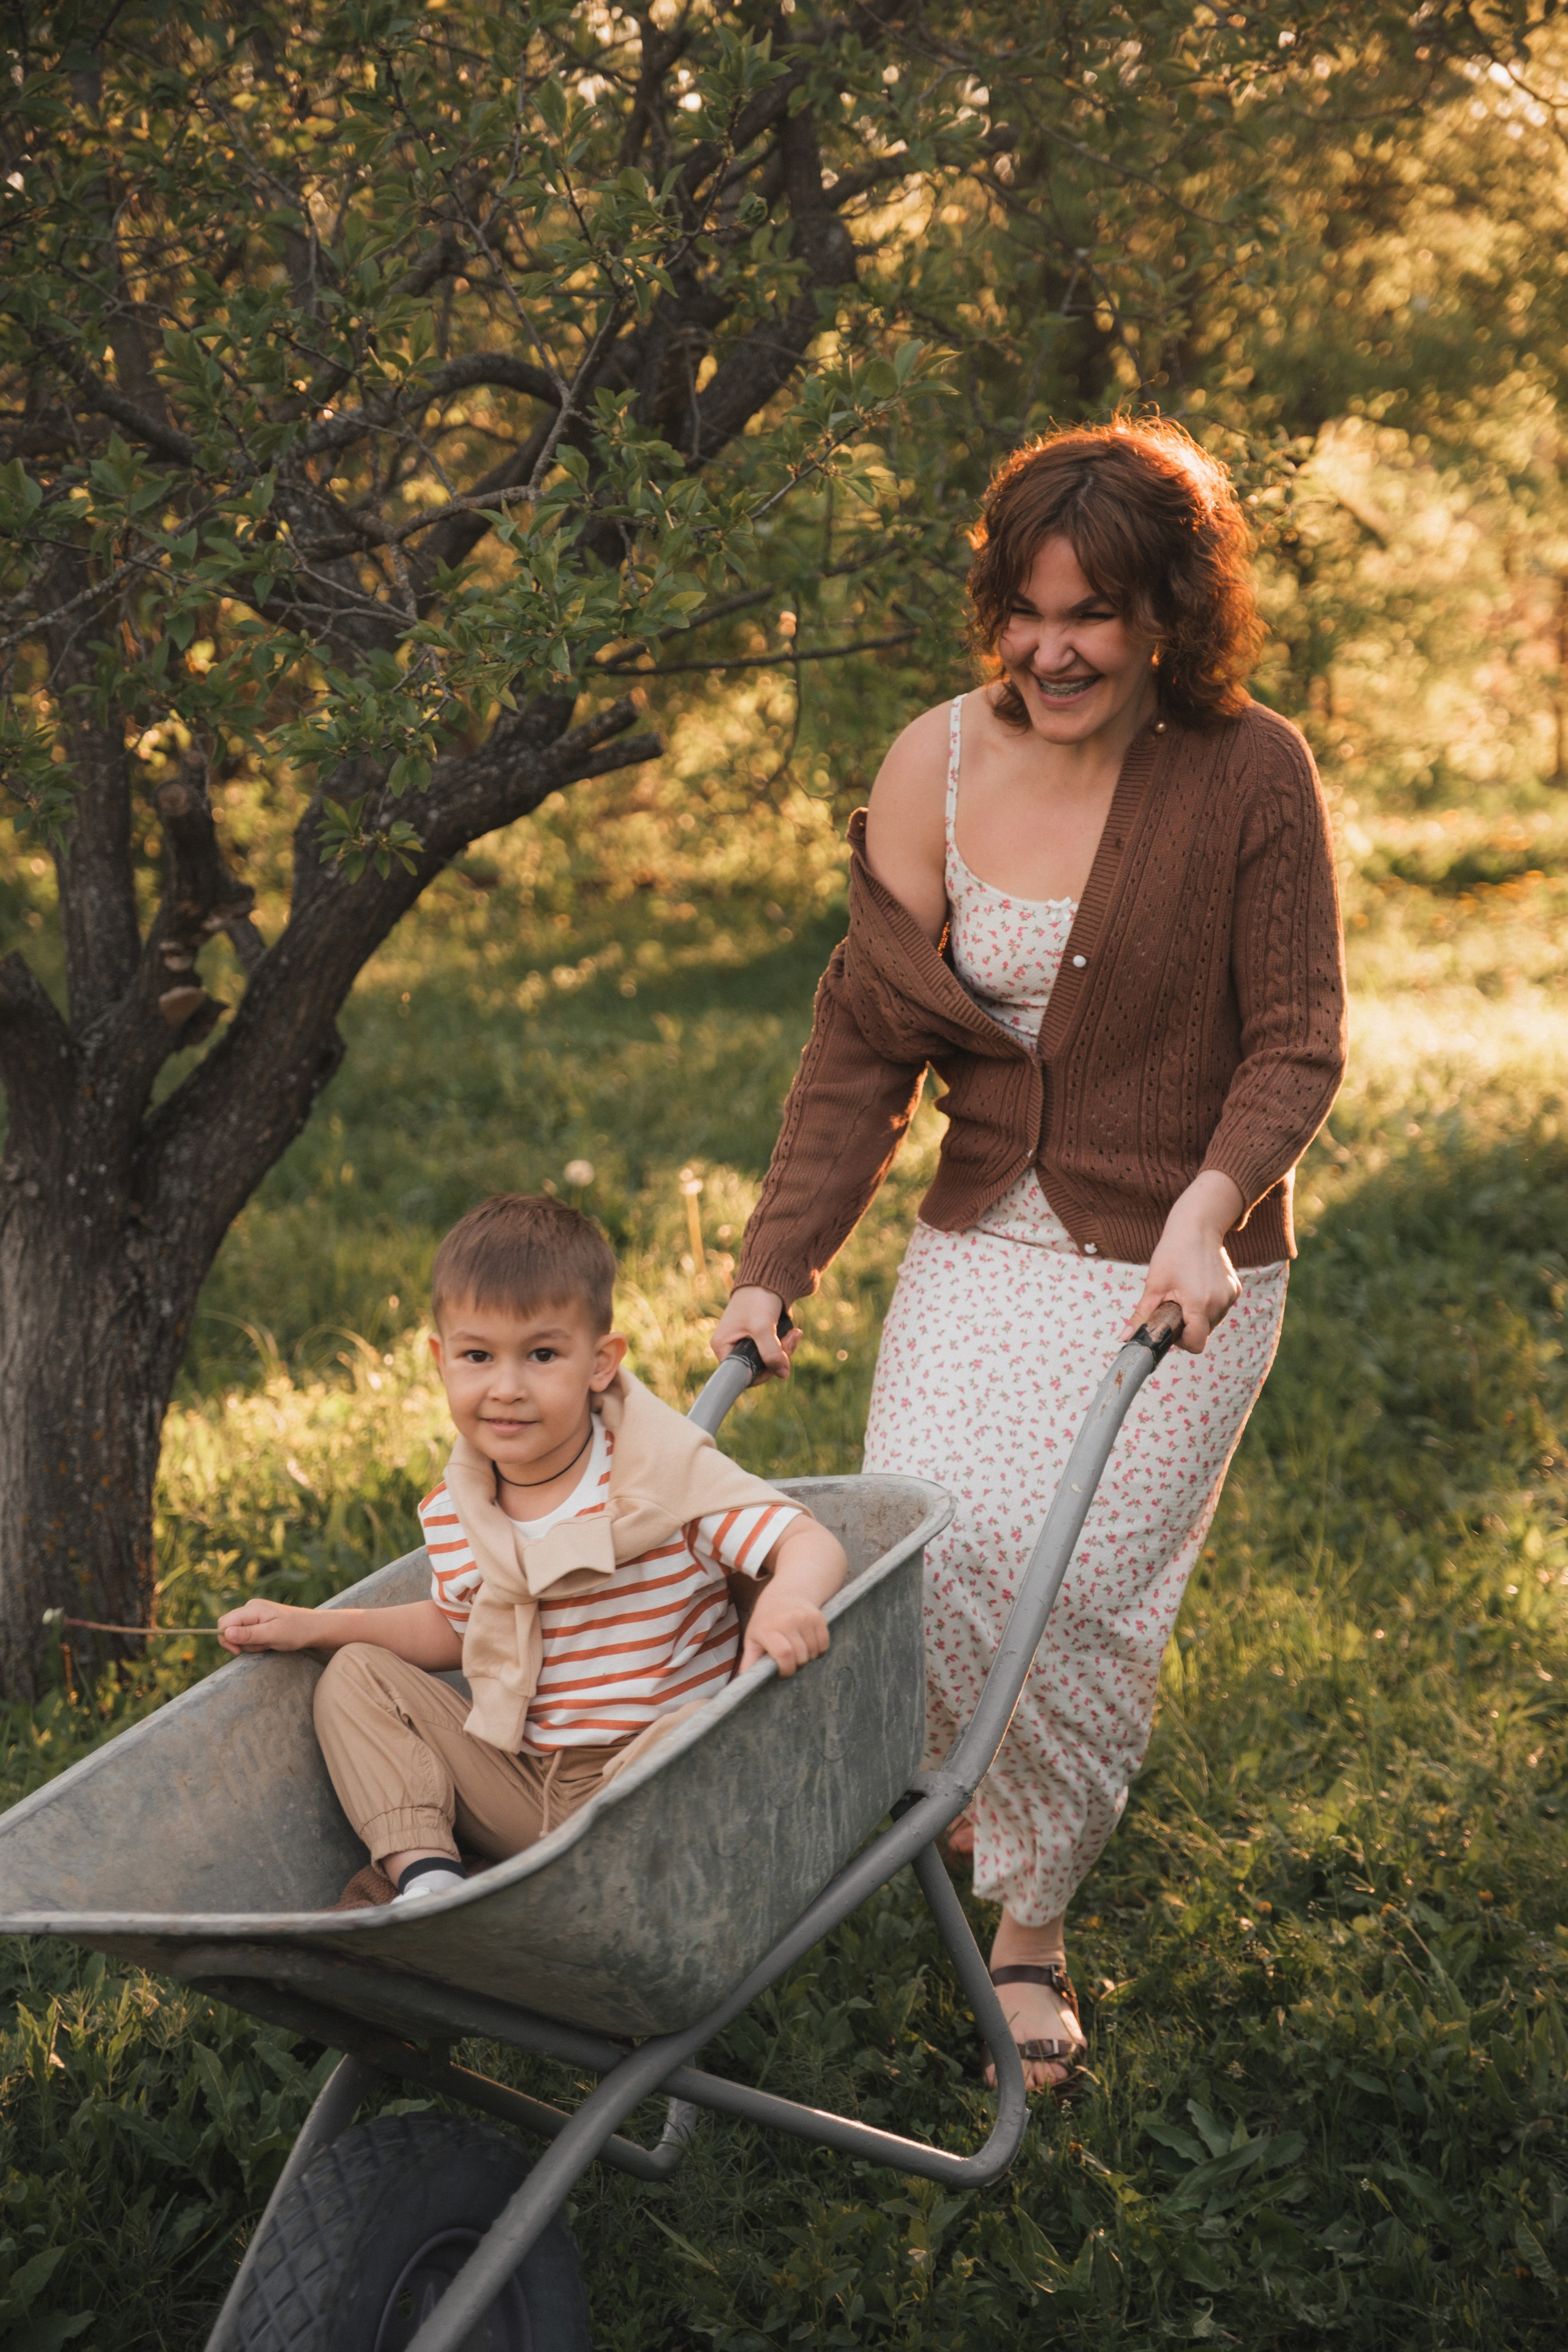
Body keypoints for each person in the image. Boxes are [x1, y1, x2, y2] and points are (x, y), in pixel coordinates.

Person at [712, 419, 1347, 2096]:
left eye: (1097, 613)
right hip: (982, 1242)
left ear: (1168, 617)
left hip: (1184, 1268)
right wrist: (778, 1261)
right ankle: (966, 1803)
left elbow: (1294, 1044)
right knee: (930, 1564)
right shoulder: (929, 764)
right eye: (1026, 609)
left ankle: (1034, 1926)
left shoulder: (1251, 773)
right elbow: (864, 1047)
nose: (1052, 649)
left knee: (1074, 1596)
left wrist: (1212, 1209)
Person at [219, 1193, 847, 1905]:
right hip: (524, 1782)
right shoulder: (462, 1509)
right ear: (441, 1361)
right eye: (478, 1356)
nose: (507, 1388)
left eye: (543, 1354)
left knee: (698, 1730)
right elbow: (461, 1628)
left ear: (602, 1363)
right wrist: (319, 1627)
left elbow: (807, 1539)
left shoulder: (664, 1477)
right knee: (356, 1677)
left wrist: (789, 1598)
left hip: (656, 1778)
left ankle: (572, 1888)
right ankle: (429, 1880)